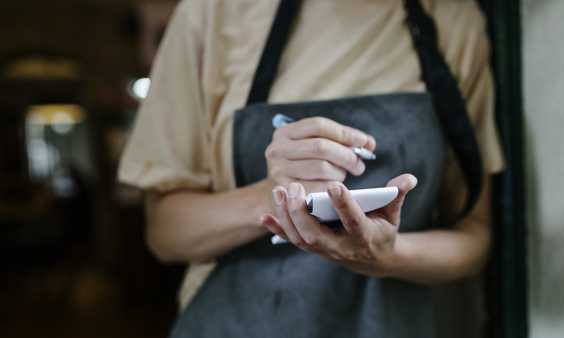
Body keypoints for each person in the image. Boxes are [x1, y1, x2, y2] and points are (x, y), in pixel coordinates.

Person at [119, 0, 504, 337]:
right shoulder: (214, 14)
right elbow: (165, 233)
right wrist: (273, 195)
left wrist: (387, 255)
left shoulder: (452, 20)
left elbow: (475, 235)